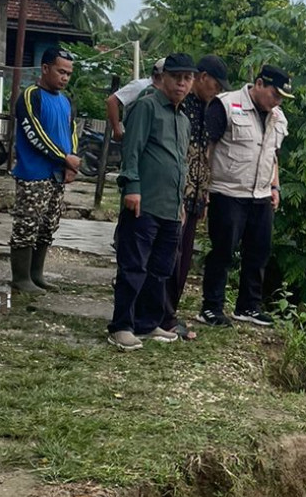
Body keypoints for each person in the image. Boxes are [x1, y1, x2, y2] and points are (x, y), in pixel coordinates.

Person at [107, 53, 194, 350]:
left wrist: (181, 202)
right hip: (143, 203)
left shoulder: (183, 120)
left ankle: (147, 322)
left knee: (160, 269)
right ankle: (121, 325)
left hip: (170, 206)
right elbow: (132, 149)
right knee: (134, 266)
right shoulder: (146, 106)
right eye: (176, 77)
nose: (182, 83)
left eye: (187, 78)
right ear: (164, 77)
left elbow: (180, 163)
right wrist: (132, 186)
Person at [198, 63, 292, 328]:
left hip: (261, 195)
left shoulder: (278, 116)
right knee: (223, 252)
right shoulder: (226, 105)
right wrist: (202, 188)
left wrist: (275, 186)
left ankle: (248, 307)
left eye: (281, 98)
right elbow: (207, 148)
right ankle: (211, 307)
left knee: (259, 252)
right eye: (274, 94)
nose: (277, 101)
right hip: (227, 192)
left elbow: (273, 154)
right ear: (259, 84)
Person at [160, 54, 229, 336]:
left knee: (184, 258)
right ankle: (162, 314)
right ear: (201, 78)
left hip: (196, 194)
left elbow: (205, 155)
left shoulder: (207, 108)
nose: (218, 90)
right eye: (215, 84)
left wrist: (204, 194)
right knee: (169, 257)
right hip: (175, 194)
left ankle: (170, 312)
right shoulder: (181, 106)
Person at [10, 47, 80, 295]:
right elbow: (35, 135)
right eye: (61, 71)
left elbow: (71, 132)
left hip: (57, 176)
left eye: (69, 74)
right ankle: (20, 277)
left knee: (47, 226)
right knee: (27, 226)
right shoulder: (30, 97)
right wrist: (64, 158)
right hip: (34, 175)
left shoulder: (66, 101)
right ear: (45, 68)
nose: (65, 77)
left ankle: (36, 274)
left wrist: (70, 162)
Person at [106, 60, 163, 142]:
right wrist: (117, 129)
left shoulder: (167, 93)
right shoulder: (141, 86)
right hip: (134, 136)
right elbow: (112, 101)